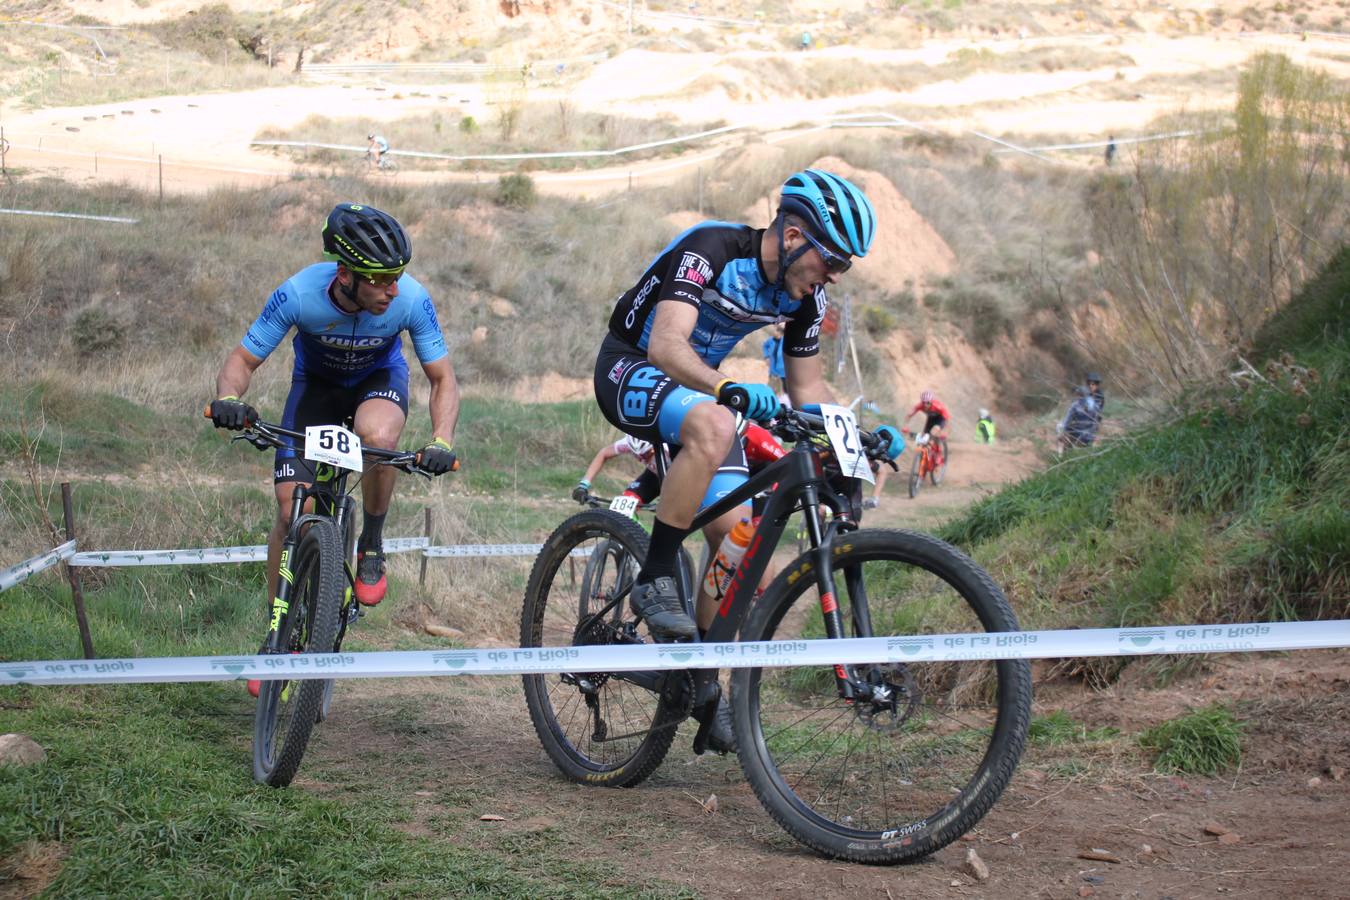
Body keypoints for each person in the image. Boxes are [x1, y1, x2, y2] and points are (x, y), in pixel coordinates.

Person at [591, 169, 905, 744]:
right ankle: (656, 573)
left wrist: (857, 435)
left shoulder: (806, 295)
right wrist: (724, 388)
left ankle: (702, 686)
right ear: (791, 239)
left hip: (702, 392)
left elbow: (808, 389)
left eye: (845, 267)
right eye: (831, 260)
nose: (833, 275)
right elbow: (665, 344)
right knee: (715, 422)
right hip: (632, 366)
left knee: (735, 544)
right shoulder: (711, 248)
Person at [208, 204, 461, 693]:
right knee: (288, 511)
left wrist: (440, 440)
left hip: (378, 384)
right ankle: (277, 633)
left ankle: (371, 542)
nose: (393, 288)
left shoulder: (410, 299)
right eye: (380, 278)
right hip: (317, 390)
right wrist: (229, 398)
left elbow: (442, 377)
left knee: (381, 439)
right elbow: (243, 358)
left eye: (397, 276)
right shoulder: (299, 293)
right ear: (345, 273)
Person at [1057, 386, 1100, 452]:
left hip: (1078, 432)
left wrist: (1062, 430)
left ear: (1079, 395)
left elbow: (1067, 420)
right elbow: (1096, 421)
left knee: (1059, 427)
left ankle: (1061, 454)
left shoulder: (1075, 405)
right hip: (1090, 433)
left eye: (1078, 394)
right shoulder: (1095, 405)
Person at [761, 321, 787, 398]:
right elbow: (765, 346)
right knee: (770, 390)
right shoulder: (771, 340)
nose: (776, 332)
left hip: (784, 371)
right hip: (773, 370)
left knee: (786, 390)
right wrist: (766, 356)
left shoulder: (786, 340)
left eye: (780, 331)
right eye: (776, 330)